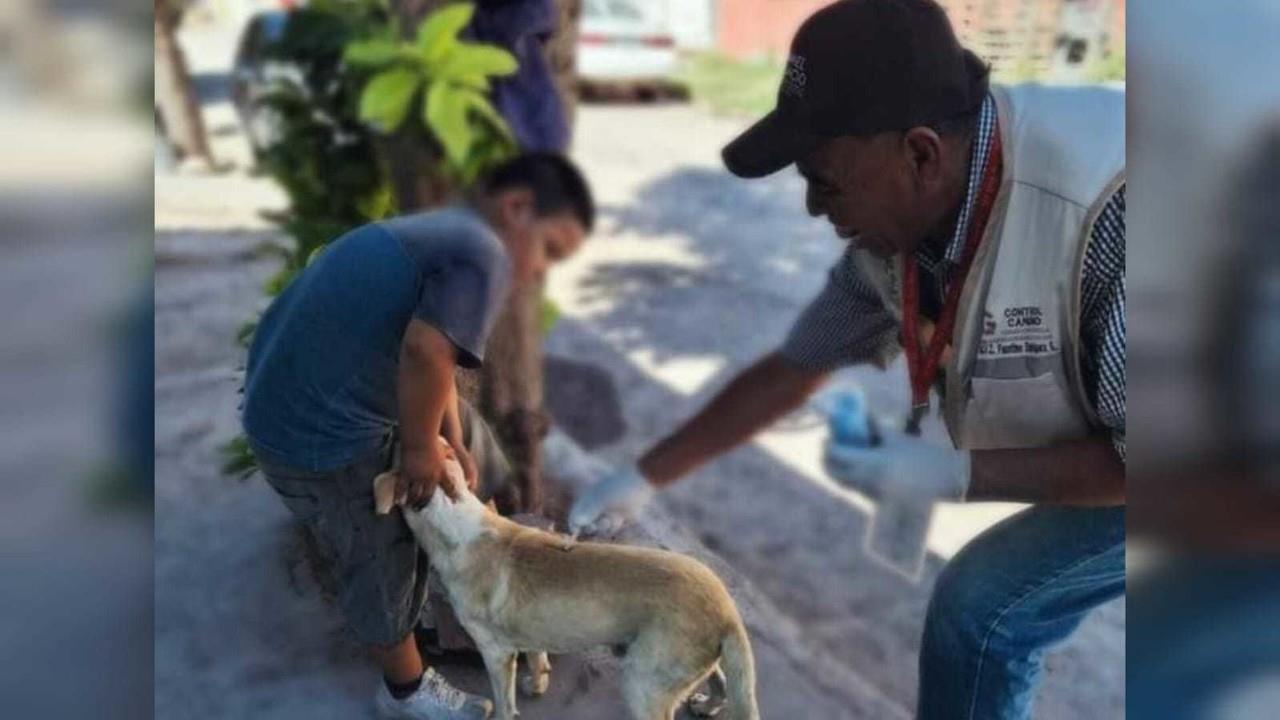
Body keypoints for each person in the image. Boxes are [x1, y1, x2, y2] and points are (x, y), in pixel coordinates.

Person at [567, 1, 1125, 718]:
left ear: (920, 154)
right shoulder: (902, 231)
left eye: (823, 180)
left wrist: (955, 474)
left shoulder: (1110, 210)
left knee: (983, 611)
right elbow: (794, 366)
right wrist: (640, 477)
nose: (808, 208)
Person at [242, 153, 594, 720]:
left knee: (469, 439)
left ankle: (482, 579)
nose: (538, 271)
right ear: (518, 208)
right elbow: (424, 351)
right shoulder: (485, 252)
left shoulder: (444, 230)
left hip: (300, 399)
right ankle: (405, 690)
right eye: (549, 250)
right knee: (383, 550)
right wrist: (418, 452)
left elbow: (435, 356)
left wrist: (447, 436)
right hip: (320, 440)